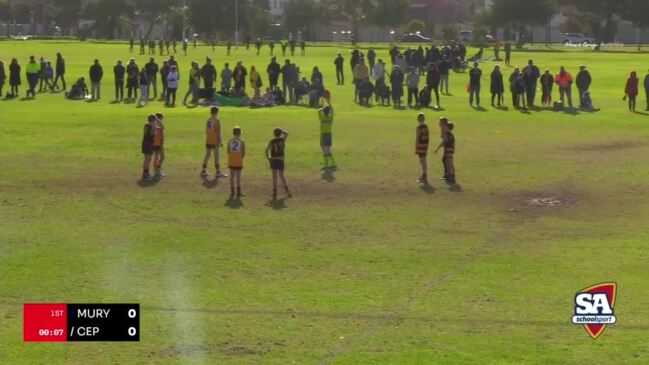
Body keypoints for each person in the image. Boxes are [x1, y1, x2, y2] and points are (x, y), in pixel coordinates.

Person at [201, 107, 227, 178]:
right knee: (216, 155)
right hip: (214, 140)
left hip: (208, 139)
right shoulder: (217, 121)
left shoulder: (208, 120)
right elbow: (218, 132)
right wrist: (220, 141)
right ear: (216, 112)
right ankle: (218, 171)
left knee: (208, 154)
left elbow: (206, 131)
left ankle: (203, 170)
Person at [265, 128, 291, 200]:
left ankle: (275, 191)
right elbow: (287, 133)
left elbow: (266, 150)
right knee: (282, 176)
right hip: (281, 159)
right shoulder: (282, 140)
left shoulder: (272, 141)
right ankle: (287, 190)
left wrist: (269, 158)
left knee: (274, 176)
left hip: (273, 160)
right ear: (280, 134)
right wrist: (282, 130)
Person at [435, 118, 456, 184]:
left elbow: (444, 141)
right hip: (451, 150)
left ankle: (451, 176)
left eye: (445, 127)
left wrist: (438, 147)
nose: (444, 128)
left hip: (448, 150)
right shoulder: (451, 134)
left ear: (447, 128)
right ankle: (451, 175)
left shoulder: (447, 134)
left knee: (449, 163)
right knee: (449, 162)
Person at [227, 126, 246, 198]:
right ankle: (238, 192)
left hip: (231, 159)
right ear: (240, 133)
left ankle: (232, 191)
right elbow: (243, 152)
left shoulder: (230, 141)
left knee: (232, 176)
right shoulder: (242, 141)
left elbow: (228, 151)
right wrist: (240, 158)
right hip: (238, 159)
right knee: (238, 176)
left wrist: (232, 156)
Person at [319, 95, 336, 169]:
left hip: (323, 135)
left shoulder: (322, 117)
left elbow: (318, 111)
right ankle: (333, 164)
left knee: (325, 150)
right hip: (329, 134)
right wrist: (328, 102)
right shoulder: (330, 118)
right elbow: (332, 110)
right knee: (327, 149)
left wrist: (322, 108)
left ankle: (327, 165)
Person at [415, 113, 430, 184]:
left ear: (418, 119)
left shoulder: (418, 128)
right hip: (425, 145)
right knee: (424, 160)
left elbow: (417, 138)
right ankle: (423, 175)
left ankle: (424, 176)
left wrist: (416, 147)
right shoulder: (426, 127)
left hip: (421, 146)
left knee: (422, 161)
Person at [141, 114, 156, 179]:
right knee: (148, 159)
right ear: (153, 120)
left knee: (146, 159)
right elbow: (152, 134)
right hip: (149, 143)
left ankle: (145, 173)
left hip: (144, 142)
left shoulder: (146, 125)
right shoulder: (152, 126)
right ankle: (146, 173)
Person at [153, 113, 165, 178]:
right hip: (156, 143)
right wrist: (158, 120)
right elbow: (163, 128)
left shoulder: (158, 124)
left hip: (160, 143)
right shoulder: (155, 125)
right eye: (162, 119)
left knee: (162, 157)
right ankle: (155, 172)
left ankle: (158, 170)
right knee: (156, 158)